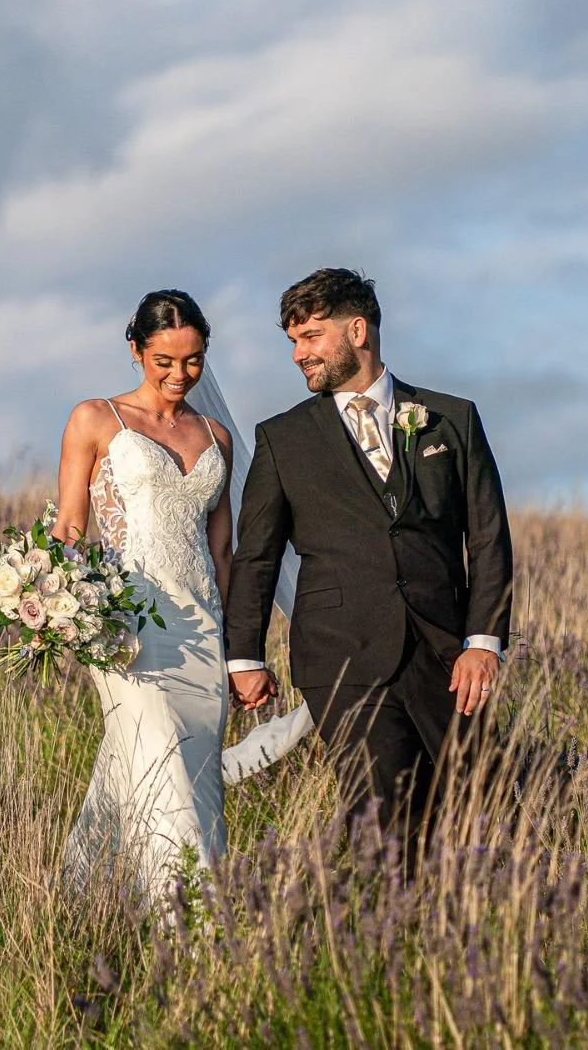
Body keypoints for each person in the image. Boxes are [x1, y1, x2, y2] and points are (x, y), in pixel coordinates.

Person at [225, 268, 513, 860]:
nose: (299, 354)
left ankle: (455, 934)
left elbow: (487, 537)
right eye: (293, 343)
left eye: (310, 337)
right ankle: (386, 937)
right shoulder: (283, 439)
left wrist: (482, 642)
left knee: (474, 807)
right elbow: (256, 555)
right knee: (378, 813)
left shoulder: (450, 419)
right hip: (341, 653)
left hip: (444, 653)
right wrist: (245, 655)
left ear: (357, 330)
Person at [55, 290, 234, 905]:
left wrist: (236, 649)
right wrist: (58, 605)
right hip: (127, 627)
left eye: (193, 361)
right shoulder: (94, 419)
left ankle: (88, 905)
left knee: (193, 774)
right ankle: (191, 926)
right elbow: (71, 530)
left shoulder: (217, 437)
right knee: (159, 759)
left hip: (204, 630)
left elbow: (223, 552)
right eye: (164, 361)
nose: (179, 375)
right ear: (135, 349)